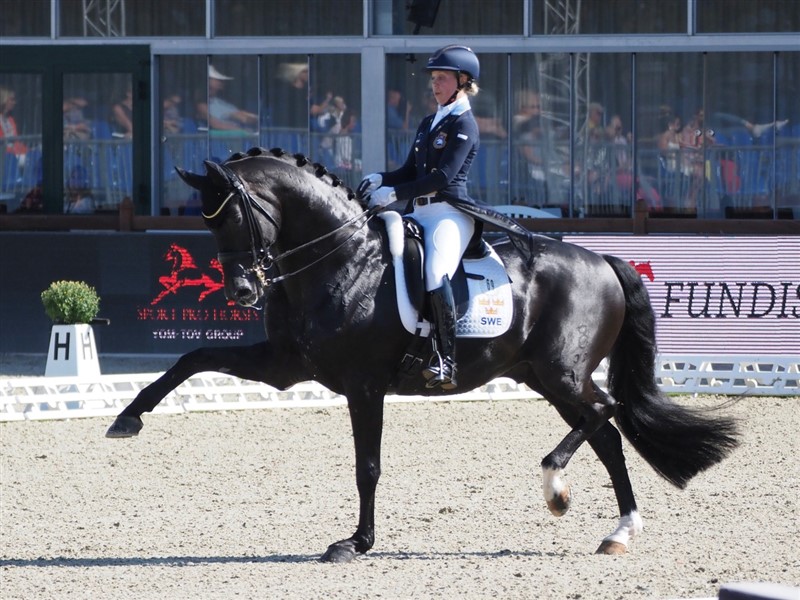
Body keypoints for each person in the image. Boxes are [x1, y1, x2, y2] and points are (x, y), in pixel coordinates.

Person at [357, 45, 482, 390]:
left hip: (448, 213)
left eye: (442, 77)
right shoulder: (430, 122)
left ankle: (446, 360)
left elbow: (442, 177)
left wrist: (394, 195)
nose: (435, 84)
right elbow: (410, 170)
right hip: (418, 211)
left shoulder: (464, 124)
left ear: (462, 81)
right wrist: (382, 177)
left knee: (434, 270)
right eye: (433, 78)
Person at [196, 65, 258, 133]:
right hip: (220, 140)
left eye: (222, 81)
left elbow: (242, 116)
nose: (221, 83)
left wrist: (255, 119)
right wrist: (243, 131)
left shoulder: (220, 103)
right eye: (218, 80)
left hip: (237, 138)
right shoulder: (201, 105)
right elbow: (215, 124)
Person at [0, 86, 27, 168]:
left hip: (14, 154)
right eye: (11, 100)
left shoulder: (11, 120)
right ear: (3, 101)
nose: (14, 102)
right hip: (5, 156)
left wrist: (28, 151)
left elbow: (16, 141)